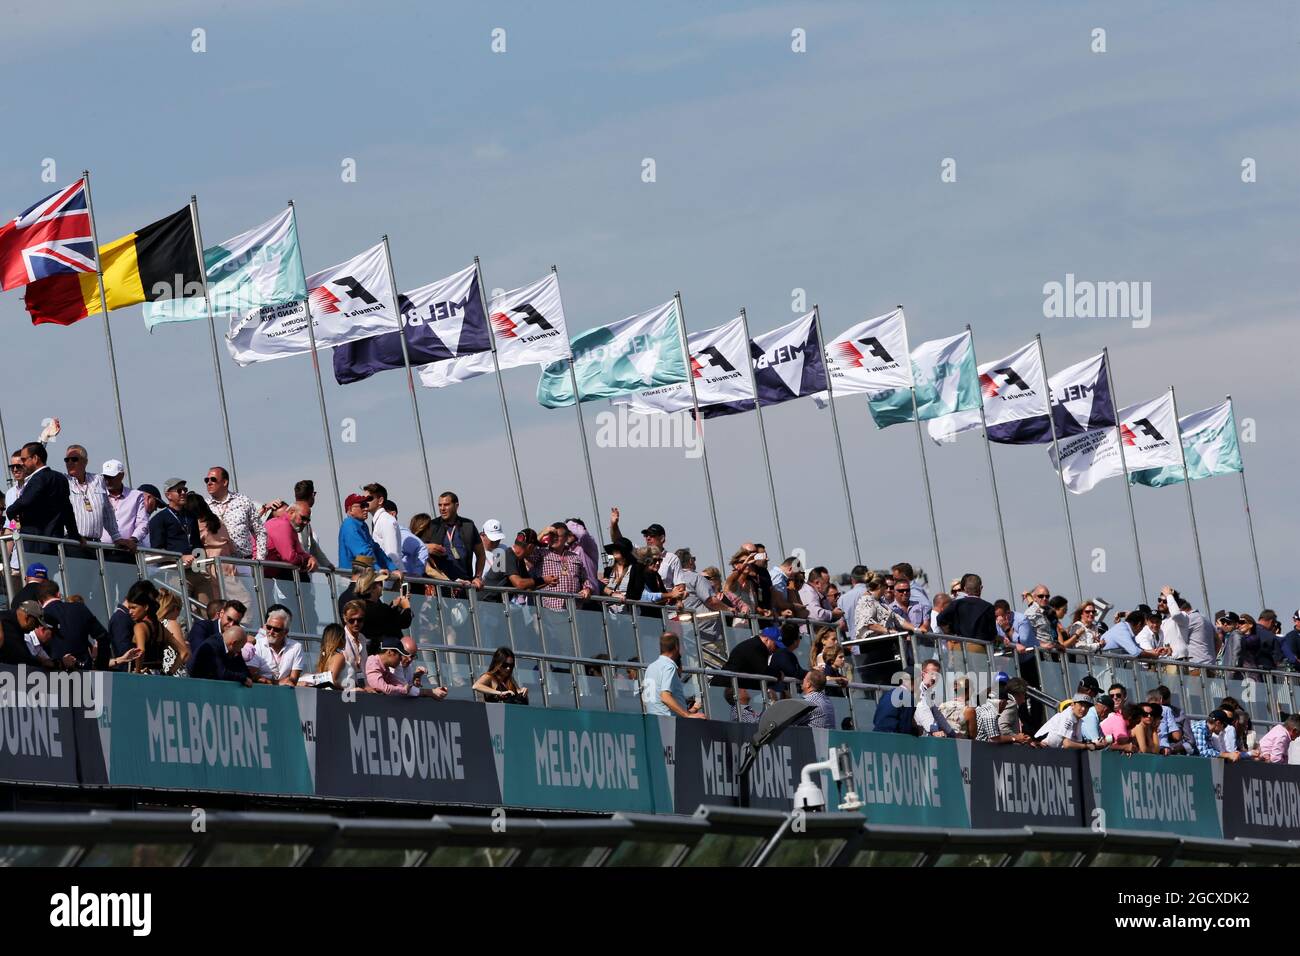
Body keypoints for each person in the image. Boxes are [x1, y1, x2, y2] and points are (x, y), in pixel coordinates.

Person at [5, 441, 83, 554]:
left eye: (24, 460)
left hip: (35, 544)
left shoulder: (38, 479)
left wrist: (11, 511)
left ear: (35, 458)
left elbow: (24, 502)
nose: (22, 464)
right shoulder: (60, 478)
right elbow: (67, 510)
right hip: (55, 543)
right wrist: (74, 534)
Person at [61, 444, 131, 555]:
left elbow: (107, 512)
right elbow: (39, 471)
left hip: (95, 544)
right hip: (73, 543)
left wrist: (116, 537)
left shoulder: (98, 480)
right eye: (67, 460)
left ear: (85, 462)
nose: (69, 463)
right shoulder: (63, 480)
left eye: (74, 459)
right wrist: (44, 439)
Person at [673, 548, 728, 666]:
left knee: (697, 676)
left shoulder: (673, 579)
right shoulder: (696, 578)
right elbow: (711, 601)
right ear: (690, 562)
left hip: (687, 636)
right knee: (716, 673)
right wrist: (729, 609)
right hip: (707, 636)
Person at [202, 466, 265, 560]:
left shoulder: (243, 501)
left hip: (244, 561)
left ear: (224, 482)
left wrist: (260, 559)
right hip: (218, 563)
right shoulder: (204, 506)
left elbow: (260, 531)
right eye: (206, 480)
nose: (209, 483)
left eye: (213, 479)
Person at [426, 491, 485, 586]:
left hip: (465, 584)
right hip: (439, 584)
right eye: (440, 505)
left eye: (446, 505)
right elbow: (415, 549)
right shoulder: (432, 525)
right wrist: (426, 546)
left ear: (456, 505)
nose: (442, 509)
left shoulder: (468, 525)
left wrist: (478, 577)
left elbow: (481, 554)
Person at [610, 509, 679, 589]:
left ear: (662, 538)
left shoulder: (672, 558)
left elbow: (680, 584)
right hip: (642, 598)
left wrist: (673, 596)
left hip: (664, 599)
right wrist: (614, 525)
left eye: (652, 535)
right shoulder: (640, 553)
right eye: (646, 535)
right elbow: (620, 542)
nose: (648, 538)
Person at [641, 631, 705, 718]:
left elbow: (650, 699)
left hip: (654, 719)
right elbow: (665, 697)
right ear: (676, 647)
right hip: (667, 722)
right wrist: (687, 715)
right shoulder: (669, 667)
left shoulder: (651, 667)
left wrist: (691, 711)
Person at [536, 522, 592, 610]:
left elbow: (585, 579)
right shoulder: (541, 553)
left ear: (566, 538)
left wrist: (587, 589)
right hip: (550, 611)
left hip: (574, 610)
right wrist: (543, 533)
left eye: (557, 536)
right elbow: (527, 549)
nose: (554, 538)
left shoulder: (575, 557)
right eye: (552, 535)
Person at [100, 459, 147, 555]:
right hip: (102, 550)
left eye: (111, 477)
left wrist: (133, 540)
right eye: (105, 477)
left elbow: (143, 522)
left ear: (121, 475)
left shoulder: (136, 496)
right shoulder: (98, 495)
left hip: (127, 551)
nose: (107, 480)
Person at [338, 493, 395, 572]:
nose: (366, 509)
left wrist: (393, 568)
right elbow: (362, 552)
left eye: (366, 505)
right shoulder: (349, 524)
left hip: (364, 577)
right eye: (362, 506)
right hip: (351, 579)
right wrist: (378, 570)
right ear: (350, 509)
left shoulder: (363, 526)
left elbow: (375, 549)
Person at [482, 529, 542, 604]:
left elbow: (528, 587)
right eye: (534, 548)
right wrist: (543, 580)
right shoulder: (508, 556)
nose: (533, 551)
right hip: (485, 605)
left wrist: (548, 581)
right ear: (530, 546)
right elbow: (519, 584)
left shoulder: (519, 560)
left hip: (494, 606)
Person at [148, 478, 202, 560]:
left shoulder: (191, 516)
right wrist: (181, 558)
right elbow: (157, 551)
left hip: (194, 568)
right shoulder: (159, 519)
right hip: (172, 570)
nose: (183, 493)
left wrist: (200, 566)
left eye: (185, 490)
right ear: (168, 495)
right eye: (179, 490)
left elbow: (198, 544)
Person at [250, 608, 305, 685]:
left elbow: (293, 681)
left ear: (285, 632)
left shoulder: (296, 647)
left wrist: (268, 681)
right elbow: (252, 675)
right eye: (269, 627)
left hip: (284, 693)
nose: (271, 632)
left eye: (276, 629)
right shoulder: (257, 644)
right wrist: (278, 682)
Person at [937, 574, 998, 642]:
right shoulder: (988, 607)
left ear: (965, 589)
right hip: (979, 648)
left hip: (960, 647)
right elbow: (992, 634)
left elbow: (939, 619)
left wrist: (951, 634)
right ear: (981, 588)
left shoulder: (956, 604)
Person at [1035, 696, 1109, 750]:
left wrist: (1093, 745)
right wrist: (1087, 746)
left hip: (1050, 751)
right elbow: (1067, 744)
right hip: (1039, 747)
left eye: (1086, 707)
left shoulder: (1079, 719)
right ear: (1073, 705)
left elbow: (1077, 743)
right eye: (1081, 705)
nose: (1083, 709)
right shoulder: (1068, 715)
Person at [188, 624, 253, 685]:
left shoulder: (228, 647)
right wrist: (243, 678)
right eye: (241, 647)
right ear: (234, 643)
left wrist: (245, 676)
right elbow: (222, 673)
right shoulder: (212, 646)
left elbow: (245, 672)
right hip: (197, 687)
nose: (240, 650)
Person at [263, 502, 317, 573]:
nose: (305, 523)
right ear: (291, 512)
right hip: (260, 573)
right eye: (303, 518)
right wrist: (306, 561)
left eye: (308, 520)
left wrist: (310, 558)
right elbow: (290, 558)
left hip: (270, 573)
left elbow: (299, 551)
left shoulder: (291, 526)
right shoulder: (283, 525)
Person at [292, 479, 334, 571]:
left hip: (302, 566)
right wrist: (308, 558)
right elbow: (297, 543)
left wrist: (326, 564)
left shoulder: (301, 514)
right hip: (294, 569)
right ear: (312, 495)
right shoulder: (292, 513)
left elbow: (313, 545)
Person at [364, 483, 402, 571]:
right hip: (385, 576)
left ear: (380, 500)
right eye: (364, 499)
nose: (365, 501)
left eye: (369, 498)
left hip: (389, 578)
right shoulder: (380, 520)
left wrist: (387, 583)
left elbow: (392, 554)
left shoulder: (386, 520)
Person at [299, 623, 348, 688]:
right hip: (344, 695)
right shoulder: (339, 656)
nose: (345, 640)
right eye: (344, 637)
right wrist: (347, 689)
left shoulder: (324, 658)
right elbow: (332, 680)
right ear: (339, 639)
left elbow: (322, 678)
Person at [390, 502, 430, 578]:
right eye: (429, 527)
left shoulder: (403, 535)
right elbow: (429, 570)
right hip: (411, 580)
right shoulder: (403, 535)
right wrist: (450, 581)